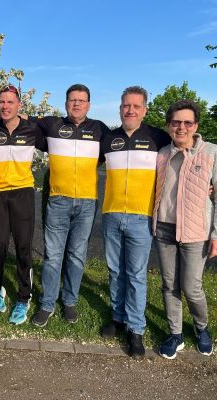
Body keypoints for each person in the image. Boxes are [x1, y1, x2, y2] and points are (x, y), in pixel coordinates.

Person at [31, 84, 110, 327]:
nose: (77, 104)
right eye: (72, 100)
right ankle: (47, 304)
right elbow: (16, 117)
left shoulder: (100, 129)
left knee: (76, 255)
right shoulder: (52, 124)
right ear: (66, 103)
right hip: (58, 200)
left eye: (81, 100)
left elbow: (121, 153)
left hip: (87, 203)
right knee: (53, 256)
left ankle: (69, 301)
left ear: (89, 105)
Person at [100, 86, 171, 357]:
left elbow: (181, 157)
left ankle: (136, 328)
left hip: (142, 217)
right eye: (126, 106)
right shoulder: (108, 138)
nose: (130, 110)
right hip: (111, 214)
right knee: (115, 271)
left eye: (136, 106)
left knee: (136, 275)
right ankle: (118, 317)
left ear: (145, 110)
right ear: (120, 108)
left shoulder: (158, 137)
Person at [153, 100, 216, 359]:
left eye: (187, 122)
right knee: (169, 285)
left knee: (192, 288)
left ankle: (202, 328)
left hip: (195, 232)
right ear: (168, 125)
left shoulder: (211, 153)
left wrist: (215, 234)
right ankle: (175, 333)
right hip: (165, 230)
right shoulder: (162, 154)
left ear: (196, 126)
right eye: (176, 122)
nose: (181, 127)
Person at [0, 84, 46, 325]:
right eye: (2, 102)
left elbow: (54, 137)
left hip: (23, 192)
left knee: (23, 246)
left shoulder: (32, 129)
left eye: (10, 102)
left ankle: (24, 297)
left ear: (19, 105)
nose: (5, 106)